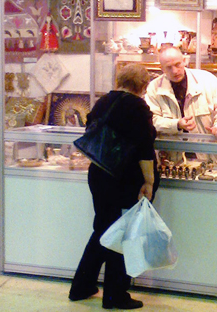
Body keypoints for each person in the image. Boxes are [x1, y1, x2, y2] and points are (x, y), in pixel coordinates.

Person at [69, 63, 159, 310]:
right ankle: (115, 295)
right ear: (143, 85)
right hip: (124, 178)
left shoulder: (103, 101)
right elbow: (144, 147)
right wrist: (149, 181)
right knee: (122, 233)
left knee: (103, 228)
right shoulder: (137, 106)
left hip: (99, 173)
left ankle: (82, 286)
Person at [145, 46, 217, 139]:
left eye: (177, 64)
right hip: (171, 147)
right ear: (162, 68)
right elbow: (151, 121)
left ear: (184, 61)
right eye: (169, 67)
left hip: (204, 146)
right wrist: (176, 124)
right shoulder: (153, 88)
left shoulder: (207, 80)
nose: (175, 71)